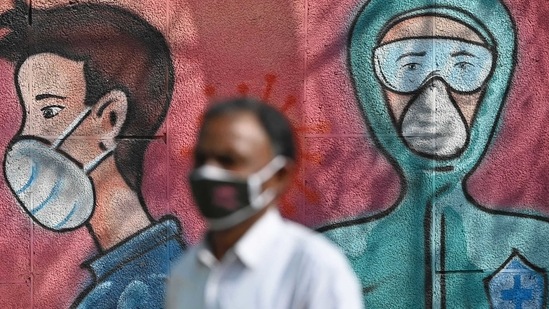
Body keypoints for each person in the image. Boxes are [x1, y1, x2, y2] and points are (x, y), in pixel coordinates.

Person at [319, 0, 549, 307]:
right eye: (408, 66)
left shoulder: (533, 245)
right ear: (372, 87)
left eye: (465, 67)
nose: (433, 96)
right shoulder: (332, 253)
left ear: (494, 83)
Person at [0, 1, 184, 307]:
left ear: (110, 119)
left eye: (49, 111)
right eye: (27, 116)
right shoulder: (129, 282)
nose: (25, 139)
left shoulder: (145, 292)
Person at [166, 98, 363, 309]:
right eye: (201, 159)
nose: (208, 172)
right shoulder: (184, 274)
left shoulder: (313, 270)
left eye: (229, 160)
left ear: (279, 176)